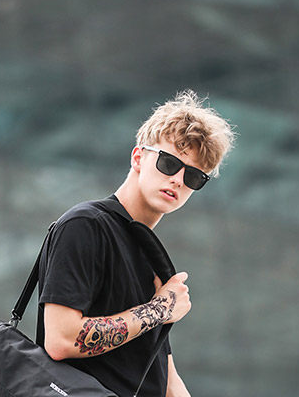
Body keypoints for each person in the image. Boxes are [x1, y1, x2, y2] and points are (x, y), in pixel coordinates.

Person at [36, 90, 235, 397]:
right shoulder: (86, 226)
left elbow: (164, 378)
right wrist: (158, 309)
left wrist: (159, 310)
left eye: (194, 177)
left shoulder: (151, 255)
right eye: (169, 163)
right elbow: (61, 340)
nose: (178, 180)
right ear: (139, 157)